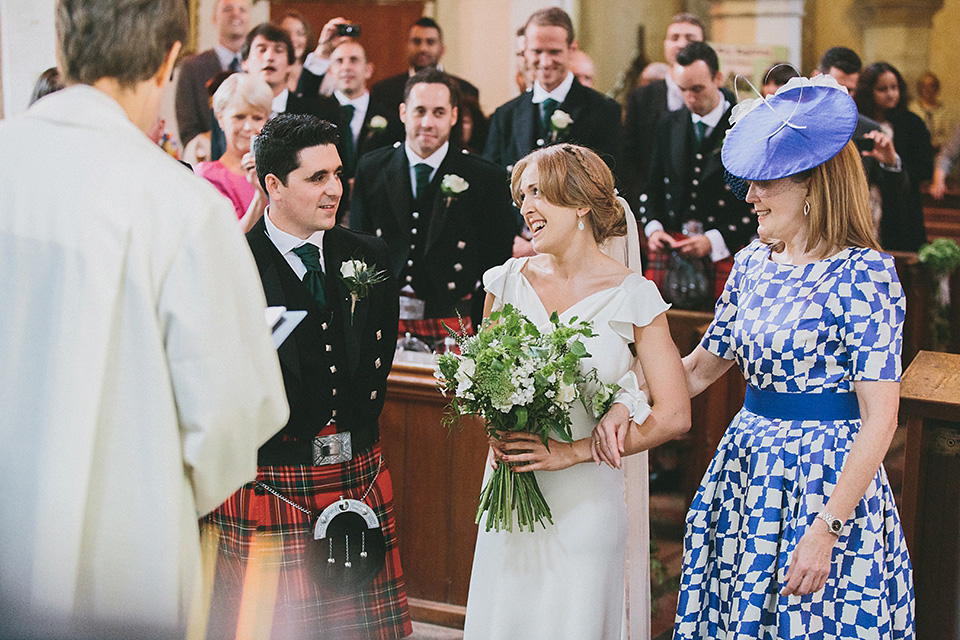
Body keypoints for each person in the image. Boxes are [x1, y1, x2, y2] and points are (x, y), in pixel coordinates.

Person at [0, 0, 288, 634]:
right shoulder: (180, 207)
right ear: (168, 60)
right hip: (117, 562)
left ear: (60, 39)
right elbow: (235, 414)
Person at [608, 76, 914, 638]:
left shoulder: (864, 273)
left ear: (812, 186)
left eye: (764, 183)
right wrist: (624, 398)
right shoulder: (751, 262)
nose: (748, 197)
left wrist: (828, 527)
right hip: (747, 465)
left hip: (827, 478)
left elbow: (882, 416)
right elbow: (701, 367)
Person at [462, 143, 690, 640]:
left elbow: (674, 414)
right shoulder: (506, 280)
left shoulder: (635, 294)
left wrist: (575, 451)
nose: (526, 207)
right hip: (510, 494)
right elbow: (482, 379)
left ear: (582, 203)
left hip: (585, 505)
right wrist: (497, 423)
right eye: (523, 195)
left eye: (540, 194)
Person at [202, 113, 411, 639]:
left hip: (357, 473)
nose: (334, 190)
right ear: (272, 184)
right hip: (271, 479)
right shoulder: (232, 266)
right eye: (316, 178)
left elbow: (376, 361)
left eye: (337, 174)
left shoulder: (370, 256)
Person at [351, 69, 516, 342]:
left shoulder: (486, 177)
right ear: (403, 112)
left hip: (453, 320)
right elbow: (359, 249)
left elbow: (495, 266)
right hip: (385, 318)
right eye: (419, 111)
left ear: (454, 116)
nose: (427, 122)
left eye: (439, 112)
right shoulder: (372, 168)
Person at [638, 41, 754, 308]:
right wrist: (654, 229)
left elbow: (758, 198)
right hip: (672, 249)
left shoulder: (745, 126)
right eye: (683, 90)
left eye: (697, 89)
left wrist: (713, 241)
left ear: (718, 78)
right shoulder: (668, 124)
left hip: (726, 250)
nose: (690, 98)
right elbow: (652, 185)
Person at [484, 7, 621, 175]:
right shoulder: (505, 116)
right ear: (525, 50)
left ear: (572, 49)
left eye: (554, 51)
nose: (546, 62)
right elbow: (492, 181)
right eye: (537, 51)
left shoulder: (604, 111)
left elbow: (610, 179)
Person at [622, 13, 734, 201]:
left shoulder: (729, 104)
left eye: (690, 38)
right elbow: (629, 156)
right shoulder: (641, 97)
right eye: (674, 38)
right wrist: (649, 207)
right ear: (665, 44)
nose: (681, 44)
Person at [855, 61, 933, 251]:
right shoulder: (858, 122)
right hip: (863, 201)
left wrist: (893, 164)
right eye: (882, 89)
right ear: (868, 91)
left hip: (901, 205)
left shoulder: (912, 123)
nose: (891, 94)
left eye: (894, 87)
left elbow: (924, 168)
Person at [315, 40, 396, 223]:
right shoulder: (316, 115)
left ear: (368, 69)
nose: (346, 67)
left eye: (354, 60)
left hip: (375, 212)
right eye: (339, 61)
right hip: (326, 211)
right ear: (330, 71)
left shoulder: (390, 119)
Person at [369, 16, 480, 141]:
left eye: (430, 42)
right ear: (407, 46)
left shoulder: (466, 90)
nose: (423, 48)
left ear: (442, 49)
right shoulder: (384, 91)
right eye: (417, 42)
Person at [194, 73, 271, 230]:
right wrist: (260, 196)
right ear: (221, 119)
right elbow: (227, 240)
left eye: (257, 118)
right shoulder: (206, 176)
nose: (248, 127)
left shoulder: (278, 172)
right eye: (239, 117)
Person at [175, 0, 251, 148]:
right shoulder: (192, 67)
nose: (236, 14)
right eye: (228, 9)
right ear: (214, 18)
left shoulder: (260, 67)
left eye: (242, 9)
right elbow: (188, 129)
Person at [242, 22, 322, 117]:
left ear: (290, 64)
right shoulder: (230, 109)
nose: (269, 57)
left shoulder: (311, 114)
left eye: (278, 50)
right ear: (245, 62)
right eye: (262, 50)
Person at [909, 71, 954, 150]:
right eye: (924, 86)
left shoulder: (946, 112)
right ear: (920, 88)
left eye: (931, 86)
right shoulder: (912, 109)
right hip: (917, 150)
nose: (927, 89)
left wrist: (933, 144)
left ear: (936, 88)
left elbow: (949, 135)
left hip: (939, 152)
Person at [280, 11, 312, 94]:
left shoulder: (313, 71)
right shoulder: (270, 74)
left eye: (300, 34)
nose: (293, 39)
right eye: (287, 33)